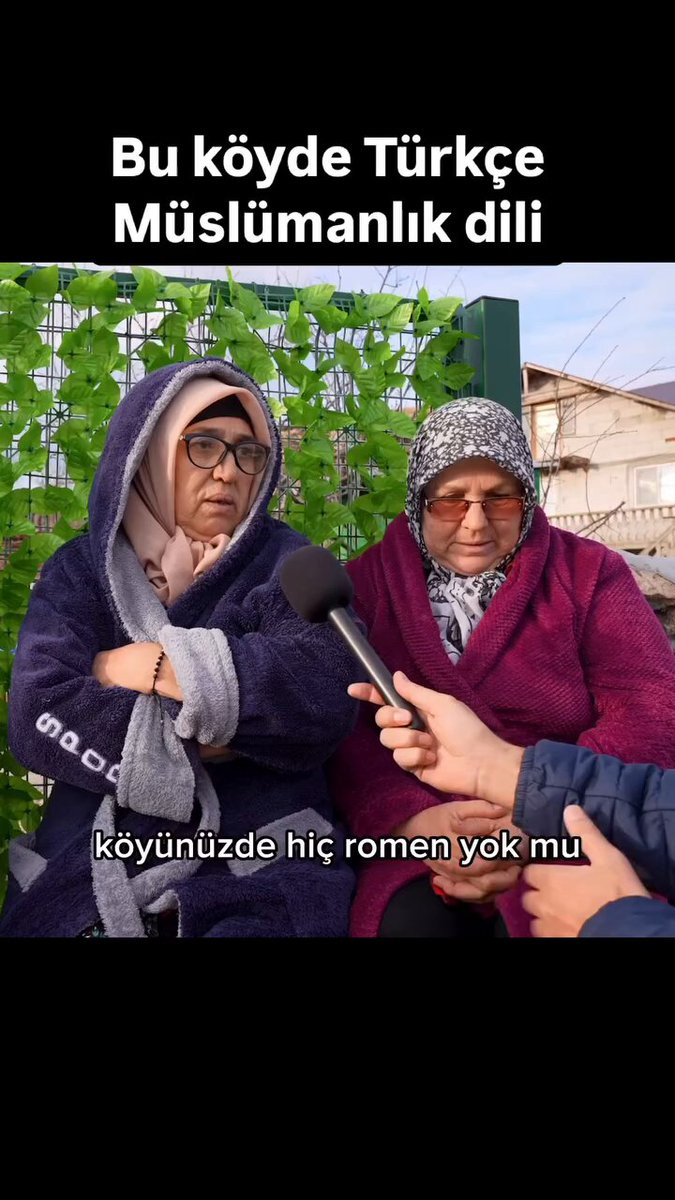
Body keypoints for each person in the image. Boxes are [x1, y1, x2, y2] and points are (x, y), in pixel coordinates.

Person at [1, 359, 358, 938]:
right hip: (97, 851)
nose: (228, 471)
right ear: (150, 453)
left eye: (248, 452)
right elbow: (38, 712)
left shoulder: (287, 564)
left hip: (260, 848)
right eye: (204, 445)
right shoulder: (81, 572)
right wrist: (223, 728)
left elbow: (321, 695)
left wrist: (144, 668)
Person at [328, 397, 675, 938]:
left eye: (500, 499)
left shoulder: (589, 573)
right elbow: (347, 734)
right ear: (419, 500)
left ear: (526, 499)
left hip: (570, 821)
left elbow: (650, 710)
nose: (475, 523)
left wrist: (536, 818)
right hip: (427, 836)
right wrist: (414, 823)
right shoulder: (365, 585)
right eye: (450, 501)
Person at [350, 670, 675, 937]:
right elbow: (352, 742)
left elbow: (649, 710)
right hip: (424, 850)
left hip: (576, 846)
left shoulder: (593, 603)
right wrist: (412, 821)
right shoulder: (362, 606)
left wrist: (610, 923)